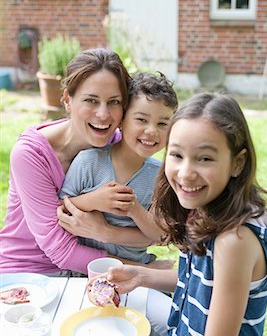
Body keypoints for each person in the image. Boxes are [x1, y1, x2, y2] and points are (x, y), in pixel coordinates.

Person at [62, 92, 267, 336]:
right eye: (177, 155)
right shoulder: (210, 209)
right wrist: (143, 275)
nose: (185, 172)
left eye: (205, 158)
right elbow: (200, 281)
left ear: (238, 163)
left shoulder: (235, 240)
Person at [0, 48, 160, 275]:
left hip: (88, 272)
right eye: (91, 100)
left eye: (114, 102)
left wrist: (110, 233)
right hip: (29, 271)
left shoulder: (115, 146)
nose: (103, 115)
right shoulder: (29, 155)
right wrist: (147, 272)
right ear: (67, 99)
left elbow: (155, 231)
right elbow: (61, 251)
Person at [59, 72, 178, 264]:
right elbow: (62, 209)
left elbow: (161, 235)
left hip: (138, 271)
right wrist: (94, 201)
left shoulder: (160, 176)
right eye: (141, 119)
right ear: (121, 120)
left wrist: (134, 209)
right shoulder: (89, 162)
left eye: (163, 123)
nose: (152, 131)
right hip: (85, 272)